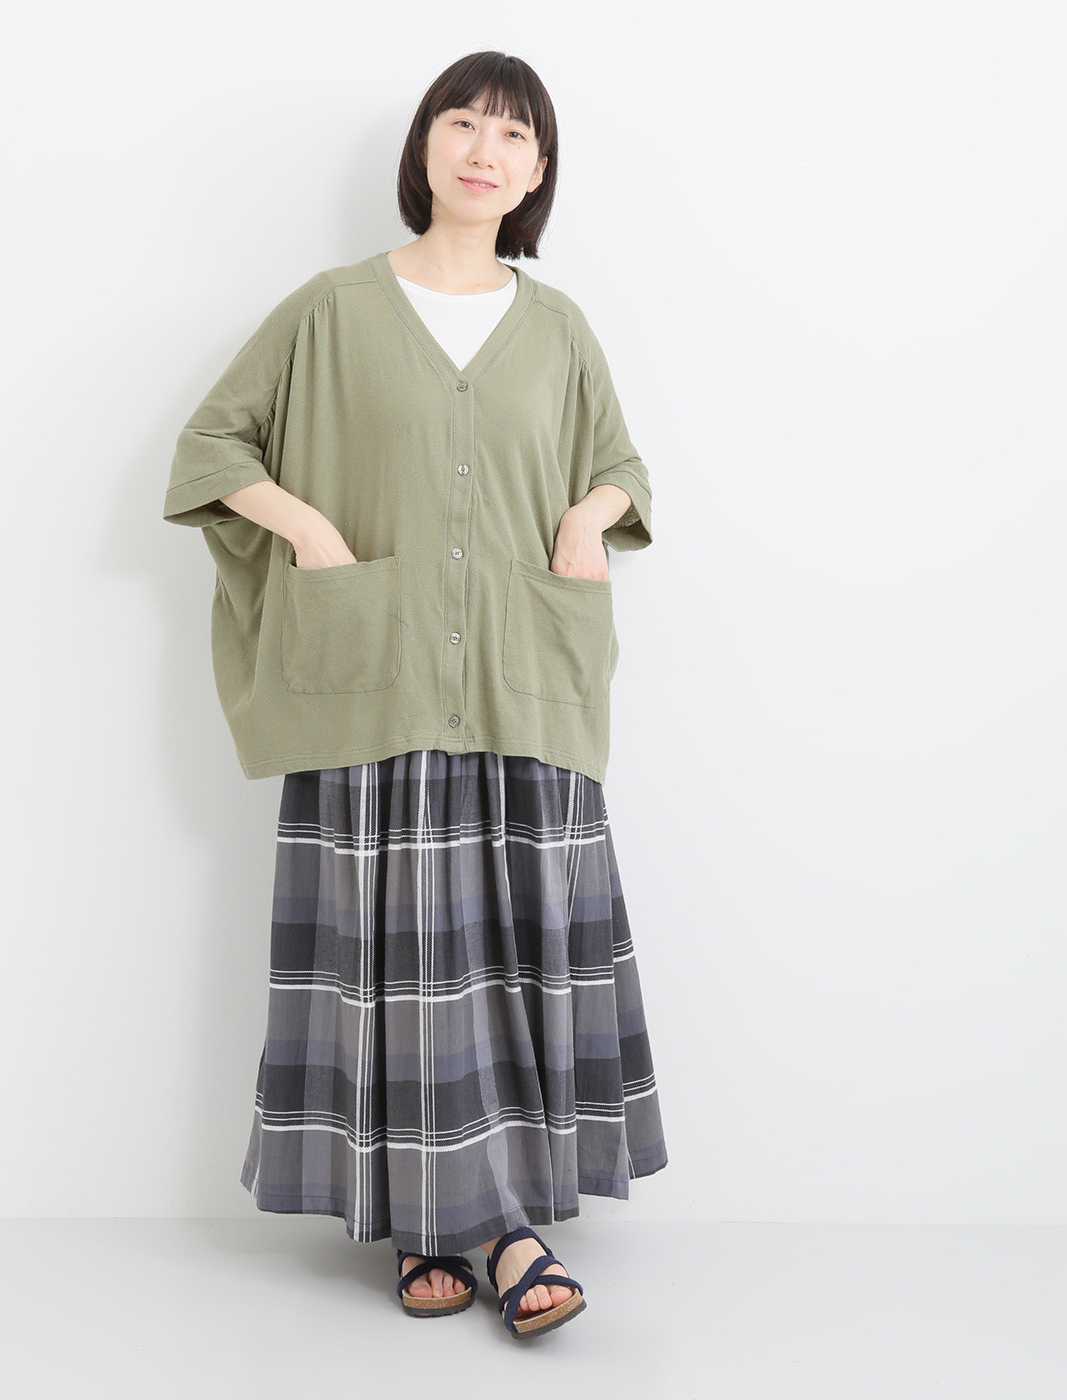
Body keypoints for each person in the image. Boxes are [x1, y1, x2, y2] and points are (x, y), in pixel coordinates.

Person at [163, 49, 668, 1340]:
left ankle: (457, 1230)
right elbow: (211, 448)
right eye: (463, 122)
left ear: (538, 172)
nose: (485, 150)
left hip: (521, 684)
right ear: (426, 146)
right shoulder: (331, 311)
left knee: (497, 959)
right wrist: (308, 531)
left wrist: (588, 518)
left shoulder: (560, 329)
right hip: (377, 685)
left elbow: (622, 465)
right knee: (408, 963)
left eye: (514, 134)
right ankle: (500, 1236)